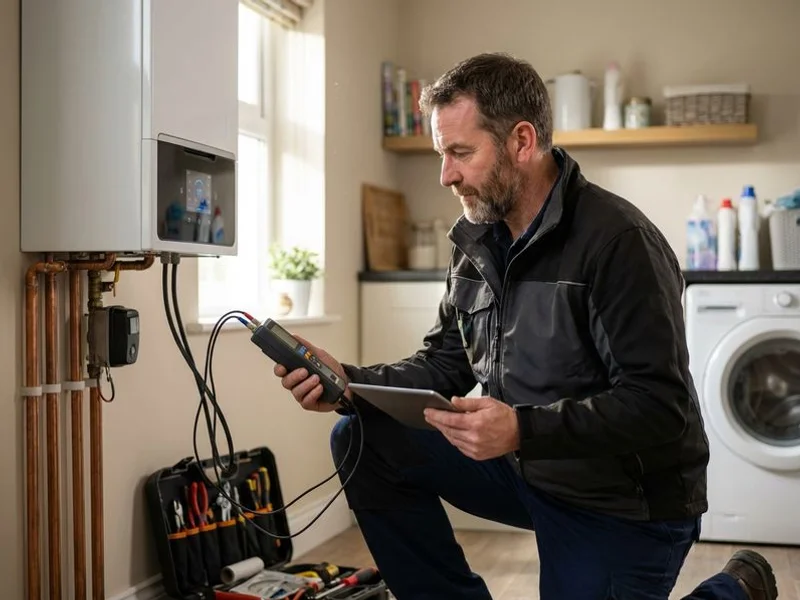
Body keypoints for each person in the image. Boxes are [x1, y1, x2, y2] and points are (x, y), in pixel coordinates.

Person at [273, 53, 780, 600]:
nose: (447, 175)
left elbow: (658, 404)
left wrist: (521, 429)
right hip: (526, 468)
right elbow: (444, 363)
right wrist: (348, 381)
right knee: (361, 436)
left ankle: (736, 590)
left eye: (461, 153)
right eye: (443, 155)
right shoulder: (478, 239)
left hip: (623, 501)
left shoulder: (619, 243)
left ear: (521, 141)